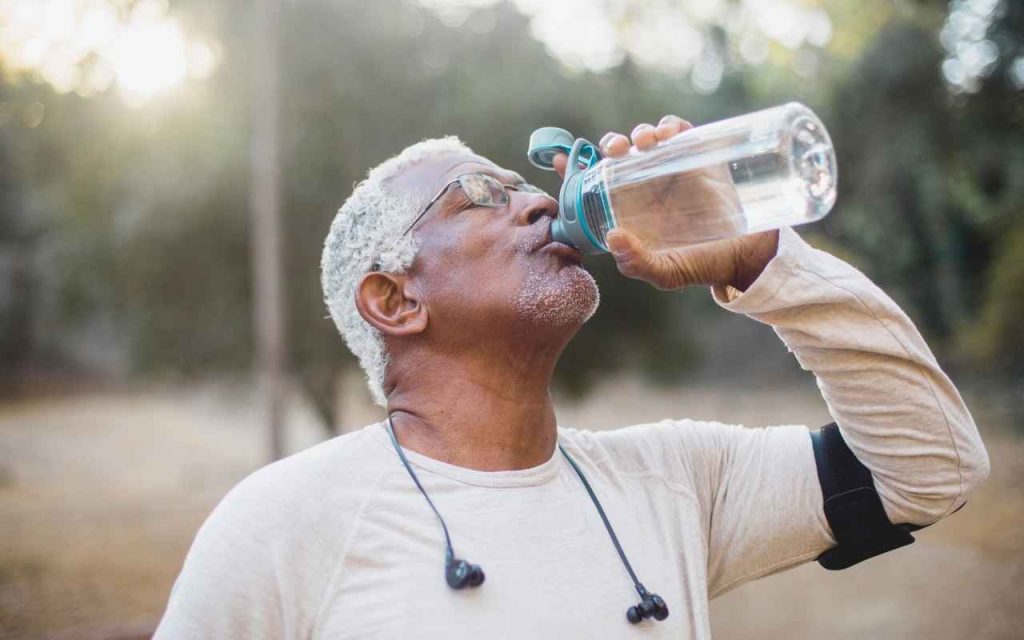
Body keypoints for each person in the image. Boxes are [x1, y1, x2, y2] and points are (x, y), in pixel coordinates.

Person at [155, 115, 989, 639]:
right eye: (479, 194)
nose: (536, 205)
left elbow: (933, 469)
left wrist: (767, 263)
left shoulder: (675, 481)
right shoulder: (283, 524)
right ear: (395, 299)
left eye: (526, 185)